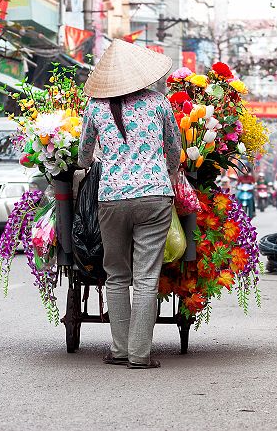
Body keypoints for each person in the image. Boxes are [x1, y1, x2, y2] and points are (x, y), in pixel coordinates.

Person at [78, 39, 180, 370]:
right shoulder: (160, 103)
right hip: (154, 196)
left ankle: (120, 349)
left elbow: (83, 156)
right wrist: (171, 176)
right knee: (147, 276)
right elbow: (173, 149)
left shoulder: (94, 108)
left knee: (116, 275)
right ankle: (139, 354)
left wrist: (98, 158)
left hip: (111, 198)